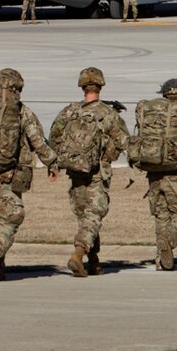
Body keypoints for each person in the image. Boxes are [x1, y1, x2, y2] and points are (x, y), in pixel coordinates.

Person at [0, 68, 58, 283]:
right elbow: (38, 142)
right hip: (7, 175)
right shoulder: (20, 111)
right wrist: (52, 162)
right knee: (13, 215)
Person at [50, 67, 128, 278]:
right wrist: (106, 157)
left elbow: (54, 138)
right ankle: (78, 253)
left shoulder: (69, 111)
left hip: (75, 174)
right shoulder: (107, 113)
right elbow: (123, 140)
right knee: (93, 216)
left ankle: (92, 261)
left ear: (82, 86)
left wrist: (57, 164)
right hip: (96, 173)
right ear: (100, 86)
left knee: (85, 217)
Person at [132, 79, 177, 270]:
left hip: (153, 174)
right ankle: (168, 243)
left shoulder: (150, 112)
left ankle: (161, 261)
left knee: (161, 216)